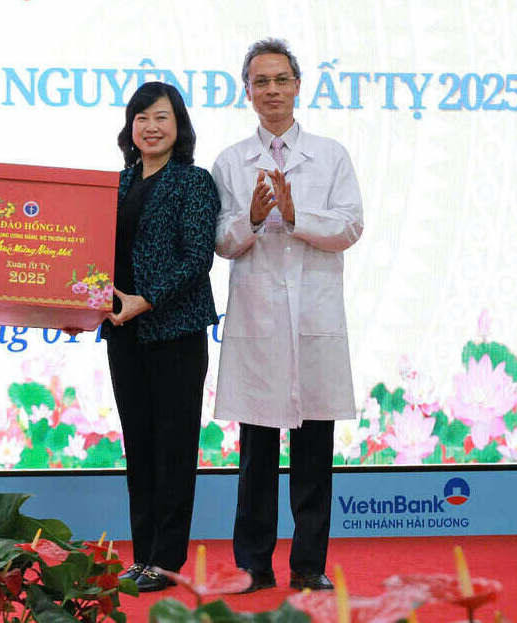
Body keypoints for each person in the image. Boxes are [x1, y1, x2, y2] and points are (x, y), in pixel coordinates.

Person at [212, 38, 364, 593]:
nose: (271, 90)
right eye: (260, 81)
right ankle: (253, 565)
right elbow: (222, 242)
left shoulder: (330, 155)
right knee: (255, 456)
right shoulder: (230, 161)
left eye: (281, 80)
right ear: (246, 91)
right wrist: (251, 219)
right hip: (258, 321)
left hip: (314, 318)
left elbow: (349, 227)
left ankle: (309, 565)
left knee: (314, 450)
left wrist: (297, 216)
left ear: (298, 85)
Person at [102, 81, 220, 592]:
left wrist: (144, 300)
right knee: (140, 447)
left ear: (180, 127)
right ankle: (142, 554)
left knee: (172, 449)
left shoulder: (193, 182)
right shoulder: (116, 184)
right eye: (142, 117)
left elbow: (197, 258)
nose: (151, 127)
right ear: (131, 127)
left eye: (162, 117)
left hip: (174, 332)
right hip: (123, 334)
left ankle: (165, 561)